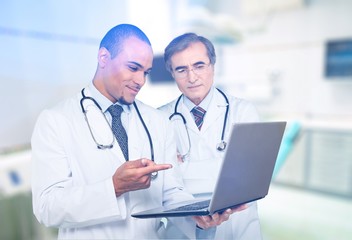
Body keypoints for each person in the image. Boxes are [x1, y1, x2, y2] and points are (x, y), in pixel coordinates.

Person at [31, 24, 242, 240]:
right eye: (133, 68)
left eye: (146, 72)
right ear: (104, 57)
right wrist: (113, 187)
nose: (141, 81)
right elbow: (47, 208)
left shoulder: (157, 121)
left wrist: (198, 217)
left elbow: (171, 193)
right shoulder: (56, 121)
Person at [158, 32, 263, 239]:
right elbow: (162, 187)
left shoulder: (243, 111)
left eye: (199, 66)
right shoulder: (159, 118)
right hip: (183, 229)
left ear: (213, 66)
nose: (192, 77)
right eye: (181, 69)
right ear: (172, 73)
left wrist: (182, 168)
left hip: (237, 228)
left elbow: (251, 181)